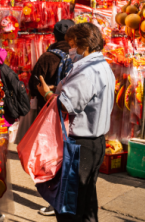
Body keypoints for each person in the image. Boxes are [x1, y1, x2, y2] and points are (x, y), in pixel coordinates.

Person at [36, 22, 115, 222]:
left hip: (82, 146)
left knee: (71, 205)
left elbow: (65, 105)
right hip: (93, 142)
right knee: (86, 202)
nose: (70, 50)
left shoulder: (88, 71)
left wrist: (47, 94)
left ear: (84, 46)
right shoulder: (101, 65)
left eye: (72, 45)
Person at [23, 19, 75, 217]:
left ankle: (56, 200)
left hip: (50, 116)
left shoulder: (47, 57)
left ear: (54, 36)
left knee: (50, 159)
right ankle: (64, 199)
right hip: (73, 117)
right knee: (67, 158)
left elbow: (33, 85)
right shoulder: (80, 59)